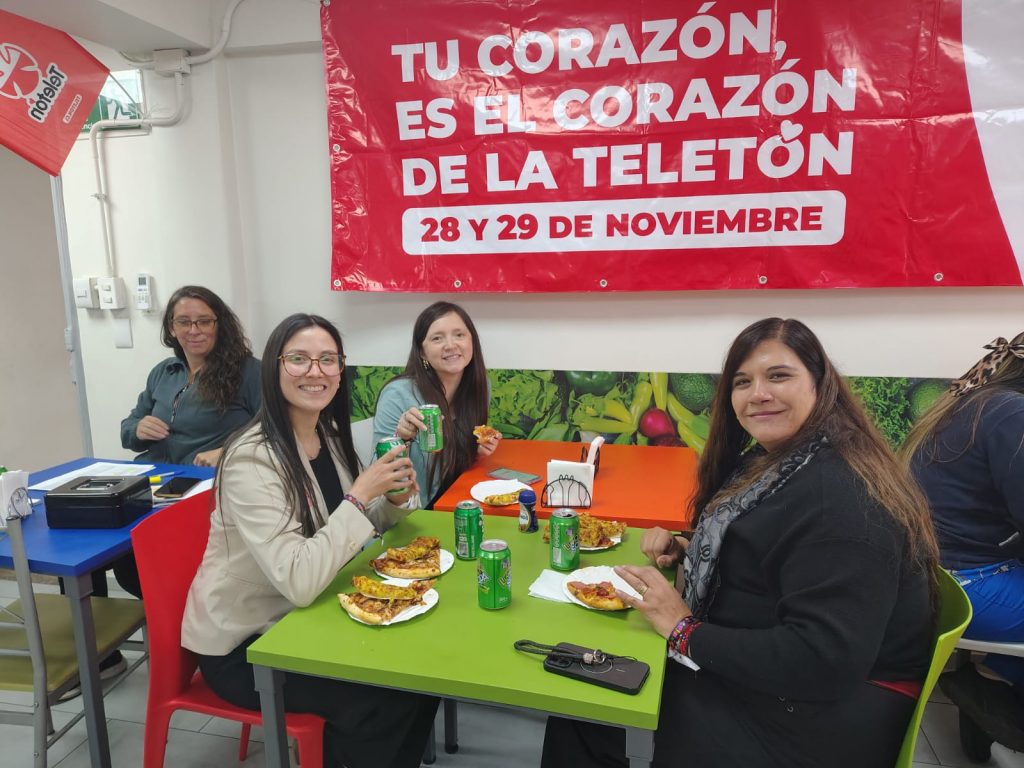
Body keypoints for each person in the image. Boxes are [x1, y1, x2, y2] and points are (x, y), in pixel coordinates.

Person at [542, 317, 938, 768]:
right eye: (742, 381)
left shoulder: (845, 499)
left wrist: (683, 630)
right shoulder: (781, 460)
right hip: (775, 675)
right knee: (580, 694)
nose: (758, 394)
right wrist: (691, 549)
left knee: (586, 695)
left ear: (820, 384)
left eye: (779, 376)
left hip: (817, 718)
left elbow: (823, 661)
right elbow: (771, 553)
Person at [181, 313, 438, 768]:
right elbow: (299, 579)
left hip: (311, 614)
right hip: (248, 642)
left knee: (423, 674)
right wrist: (361, 495)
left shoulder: (328, 437)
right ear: (274, 368)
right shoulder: (251, 459)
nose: (315, 371)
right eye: (298, 359)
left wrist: (393, 500)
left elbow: (348, 526)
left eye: (328, 359)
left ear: (341, 369)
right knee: (383, 698)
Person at [902, 333, 1024, 747]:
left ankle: (993, 691)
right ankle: (1005, 705)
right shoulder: (1012, 413)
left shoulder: (969, 403)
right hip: (970, 585)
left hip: (934, 575)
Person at [373, 301, 499, 506]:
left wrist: (477, 450)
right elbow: (376, 472)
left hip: (458, 498)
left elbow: (456, 462)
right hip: (412, 508)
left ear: (472, 341)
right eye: (437, 338)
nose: (450, 345)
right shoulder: (397, 394)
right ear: (422, 352)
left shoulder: (481, 386)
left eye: (459, 335)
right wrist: (402, 438)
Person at [121, 285, 261, 468]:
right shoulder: (163, 372)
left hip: (205, 477)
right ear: (172, 328)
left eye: (204, 321)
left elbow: (278, 433)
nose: (194, 330)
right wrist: (137, 429)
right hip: (152, 474)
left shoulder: (250, 371)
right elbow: (128, 428)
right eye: (184, 322)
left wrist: (228, 453)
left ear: (220, 325)